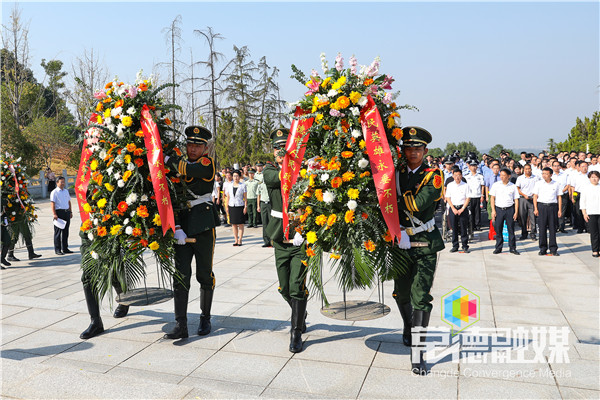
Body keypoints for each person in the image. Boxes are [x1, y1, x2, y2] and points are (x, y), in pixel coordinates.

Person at [393, 126, 445, 375]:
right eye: (408, 148)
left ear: (425, 151)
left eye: (417, 148)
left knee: (420, 297)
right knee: (401, 294)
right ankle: (408, 325)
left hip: (424, 243)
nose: (412, 152)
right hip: (400, 243)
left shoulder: (433, 175)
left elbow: (418, 203)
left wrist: (385, 196)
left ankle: (418, 353)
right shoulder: (396, 172)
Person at [163, 125, 217, 339]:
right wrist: (176, 227)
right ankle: (180, 324)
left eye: (197, 145)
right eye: (189, 144)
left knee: (204, 274)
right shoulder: (178, 165)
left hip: (203, 226)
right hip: (183, 227)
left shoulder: (207, 164)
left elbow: (188, 170)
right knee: (180, 275)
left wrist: (166, 159)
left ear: (205, 148)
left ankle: (205, 318)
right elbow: (173, 197)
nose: (192, 148)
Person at [263, 128, 308, 353]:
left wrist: (305, 227)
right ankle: (300, 313)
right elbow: (276, 179)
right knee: (283, 288)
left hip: (301, 239)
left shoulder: (305, 171)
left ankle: (296, 331)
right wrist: (291, 165)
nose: (281, 153)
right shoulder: (270, 170)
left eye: (285, 148)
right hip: (280, 236)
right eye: (278, 149)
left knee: (296, 287)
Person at [490, 168, 520, 255]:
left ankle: (512, 248)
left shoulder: (513, 186)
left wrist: (516, 212)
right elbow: (492, 198)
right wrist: (493, 210)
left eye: (504, 175)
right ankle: (498, 248)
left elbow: (516, 200)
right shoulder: (496, 185)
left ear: (509, 176)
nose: (502, 177)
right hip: (499, 209)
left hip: (510, 209)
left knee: (511, 230)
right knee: (498, 230)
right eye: (501, 175)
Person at [533, 167, 562, 256]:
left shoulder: (556, 184)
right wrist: (535, 208)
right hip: (542, 206)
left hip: (553, 207)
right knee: (542, 228)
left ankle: (553, 249)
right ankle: (543, 248)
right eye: (543, 174)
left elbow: (559, 197)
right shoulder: (538, 184)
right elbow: (535, 196)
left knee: (553, 228)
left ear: (551, 175)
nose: (544, 175)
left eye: (546, 174)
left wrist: (559, 210)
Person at [445, 167, 470, 253]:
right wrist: (453, 208)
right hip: (453, 208)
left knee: (463, 228)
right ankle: (455, 245)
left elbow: (468, 198)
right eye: (455, 175)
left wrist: (462, 208)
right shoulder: (450, 185)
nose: (457, 177)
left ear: (461, 176)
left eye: (459, 175)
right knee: (454, 228)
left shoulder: (465, 185)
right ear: (453, 176)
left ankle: (465, 246)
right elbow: (448, 197)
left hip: (462, 208)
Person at [515, 164, 539, 240]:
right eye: (526, 169)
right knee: (522, 216)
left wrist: (534, 194)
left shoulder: (536, 178)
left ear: (531, 169)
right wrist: (524, 195)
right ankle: (524, 233)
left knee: (533, 217)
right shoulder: (520, 178)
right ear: (523, 170)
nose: (528, 170)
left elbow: (538, 187)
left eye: (529, 169)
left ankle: (533, 233)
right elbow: (517, 189)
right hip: (523, 199)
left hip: (533, 199)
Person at [50, 176, 73, 255]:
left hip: (66, 212)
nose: (63, 183)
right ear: (57, 183)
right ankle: (57, 249)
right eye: (61, 182)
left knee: (66, 231)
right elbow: (52, 203)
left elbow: (69, 201)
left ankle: (65, 248)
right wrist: (54, 214)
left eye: (63, 182)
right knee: (58, 232)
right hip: (59, 213)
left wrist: (70, 211)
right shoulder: (54, 192)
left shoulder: (66, 191)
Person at [225, 170, 247, 246]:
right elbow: (228, 197)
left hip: (240, 205)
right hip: (232, 205)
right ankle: (236, 240)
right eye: (234, 176)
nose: (235, 177)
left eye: (237, 176)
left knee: (240, 224)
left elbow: (245, 197)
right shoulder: (229, 185)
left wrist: (245, 206)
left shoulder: (243, 185)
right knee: (233, 224)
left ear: (239, 176)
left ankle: (240, 239)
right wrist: (227, 206)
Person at [581, 170, 600, 257]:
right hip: (591, 212)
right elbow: (583, 201)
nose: (594, 179)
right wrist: (584, 213)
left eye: (596, 177)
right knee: (594, 232)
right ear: (589, 178)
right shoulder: (586, 188)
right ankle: (595, 250)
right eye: (592, 177)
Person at [465, 159, 485, 231]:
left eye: (475, 166)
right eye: (472, 166)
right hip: (470, 196)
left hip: (478, 195)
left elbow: (482, 186)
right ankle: (471, 225)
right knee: (471, 211)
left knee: (478, 211)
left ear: (477, 167)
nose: (473, 167)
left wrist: (482, 195)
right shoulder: (466, 177)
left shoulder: (480, 176)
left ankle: (477, 225)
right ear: (469, 167)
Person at [551, 161, 569, 233]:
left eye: (558, 166)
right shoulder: (550, 175)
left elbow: (568, 184)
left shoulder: (564, 175)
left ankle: (561, 227)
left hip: (563, 195)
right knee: (554, 211)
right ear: (552, 167)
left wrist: (562, 191)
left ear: (560, 167)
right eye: (555, 166)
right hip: (553, 196)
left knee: (562, 211)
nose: (556, 167)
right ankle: (554, 227)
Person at [256, 175, 272, 248]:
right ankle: (266, 241)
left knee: (271, 222)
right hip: (263, 203)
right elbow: (258, 195)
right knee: (264, 222)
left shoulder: (271, 184)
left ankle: (272, 241)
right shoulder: (260, 184)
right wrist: (258, 206)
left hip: (270, 203)